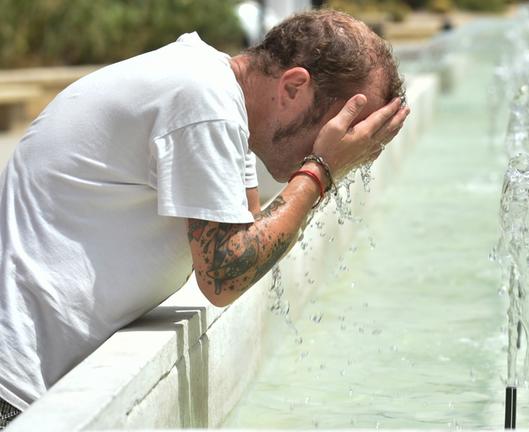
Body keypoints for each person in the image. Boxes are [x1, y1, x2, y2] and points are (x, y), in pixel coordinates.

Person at [0, 9, 408, 427]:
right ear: (294, 86)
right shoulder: (203, 100)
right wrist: (321, 170)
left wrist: (318, 170)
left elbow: (253, 237)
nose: (345, 144)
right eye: (345, 126)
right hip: (11, 390)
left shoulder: (216, 92)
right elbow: (224, 274)